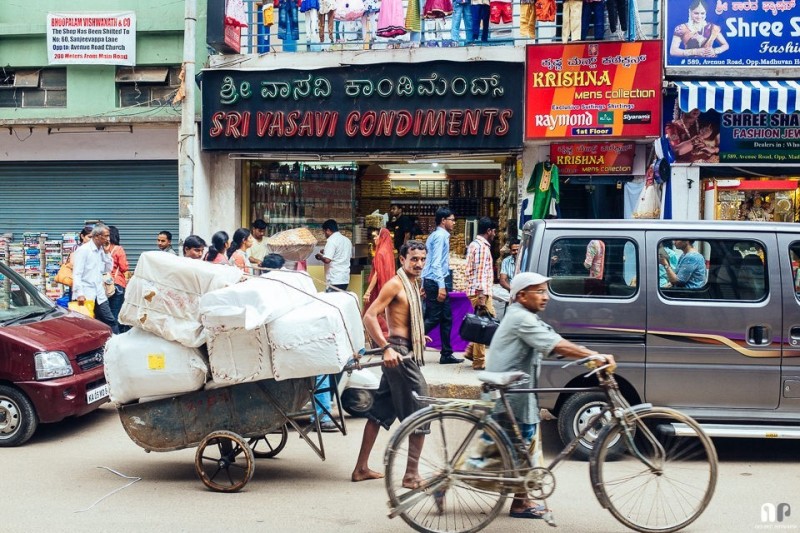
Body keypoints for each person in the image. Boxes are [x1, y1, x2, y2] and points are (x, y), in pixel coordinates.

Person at [486, 272, 615, 519]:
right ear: (522, 296)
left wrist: (584, 354)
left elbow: (553, 341)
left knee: (523, 447)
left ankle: (520, 500)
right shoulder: (521, 318)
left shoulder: (524, 315)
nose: (545, 297)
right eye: (539, 291)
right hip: (514, 395)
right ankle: (518, 503)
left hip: (518, 392)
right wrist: (593, 356)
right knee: (517, 448)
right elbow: (555, 344)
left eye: (546, 291)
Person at [352, 240, 430, 484]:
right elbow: (369, 316)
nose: (418, 264)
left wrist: (417, 335)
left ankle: (361, 468)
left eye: (422, 259)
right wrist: (385, 348)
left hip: (403, 350)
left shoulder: (413, 284)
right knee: (422, 409)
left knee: (379, 411)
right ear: (403, 260)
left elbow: (404, 318)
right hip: (397, 353)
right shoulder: (396, 284)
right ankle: (411, 475)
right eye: (414, 259)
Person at [421, 208, 462, 365]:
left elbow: (428, 261)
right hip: (437, 281)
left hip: (432, 280)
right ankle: (409, 342)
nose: (453, 222)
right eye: (452, 219)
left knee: (446, 318)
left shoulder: (436, 235)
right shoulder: (440, 236)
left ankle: (446, 354)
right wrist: (441, 286)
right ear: (443, 220)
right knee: (434, 317)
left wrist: (424, 282)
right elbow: (436, 263)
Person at [71, 224, 119, 334]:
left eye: (109, 236)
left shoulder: (102, 250)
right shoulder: (84, 250)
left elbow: (108, 269)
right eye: (106, 236)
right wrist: (79, 294)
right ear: (97, 236)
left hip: (99, 294)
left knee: (110, 321)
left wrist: (107, 253)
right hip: (86, 294)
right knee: (86, 325)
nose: (108, 239)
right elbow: (77, 273)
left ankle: (116, 344)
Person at [464, 217, 498, 371]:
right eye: (494, 231)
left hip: (479, 291)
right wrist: (481, 296)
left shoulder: (474, 244)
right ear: (489, 231)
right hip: (480, 292)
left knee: (485, 322)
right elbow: (480, 274)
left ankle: (472, 350)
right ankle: (478, 361)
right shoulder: (482, 247)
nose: (495, 234)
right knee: (485, 324)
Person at [363, 228, 395, 338]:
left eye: (377, 236)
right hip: (387, 287)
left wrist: (368, 292)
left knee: (372, 313)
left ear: (382, 237)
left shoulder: (380, 252)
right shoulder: (388, 251)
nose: (374, 238)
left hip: (378, 288)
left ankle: (379, 338)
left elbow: (377, 274)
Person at [315, 219, 353, 292]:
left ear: (328, 230)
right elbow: (340, 254)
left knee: (332, 301)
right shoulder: (347, 240)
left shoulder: (331, 240)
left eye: (324, 232)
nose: (325, 235)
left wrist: (320, 256)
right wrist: (325, 251)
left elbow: (327, 260)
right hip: (345, 278)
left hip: (334, 279)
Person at [105, 225, 129, 332]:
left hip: (103, 285)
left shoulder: (102, 249)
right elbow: (124, 267)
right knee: (115, 313)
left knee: (106, 313)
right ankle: (114, 336)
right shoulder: (118, 249)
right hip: (117, 284)